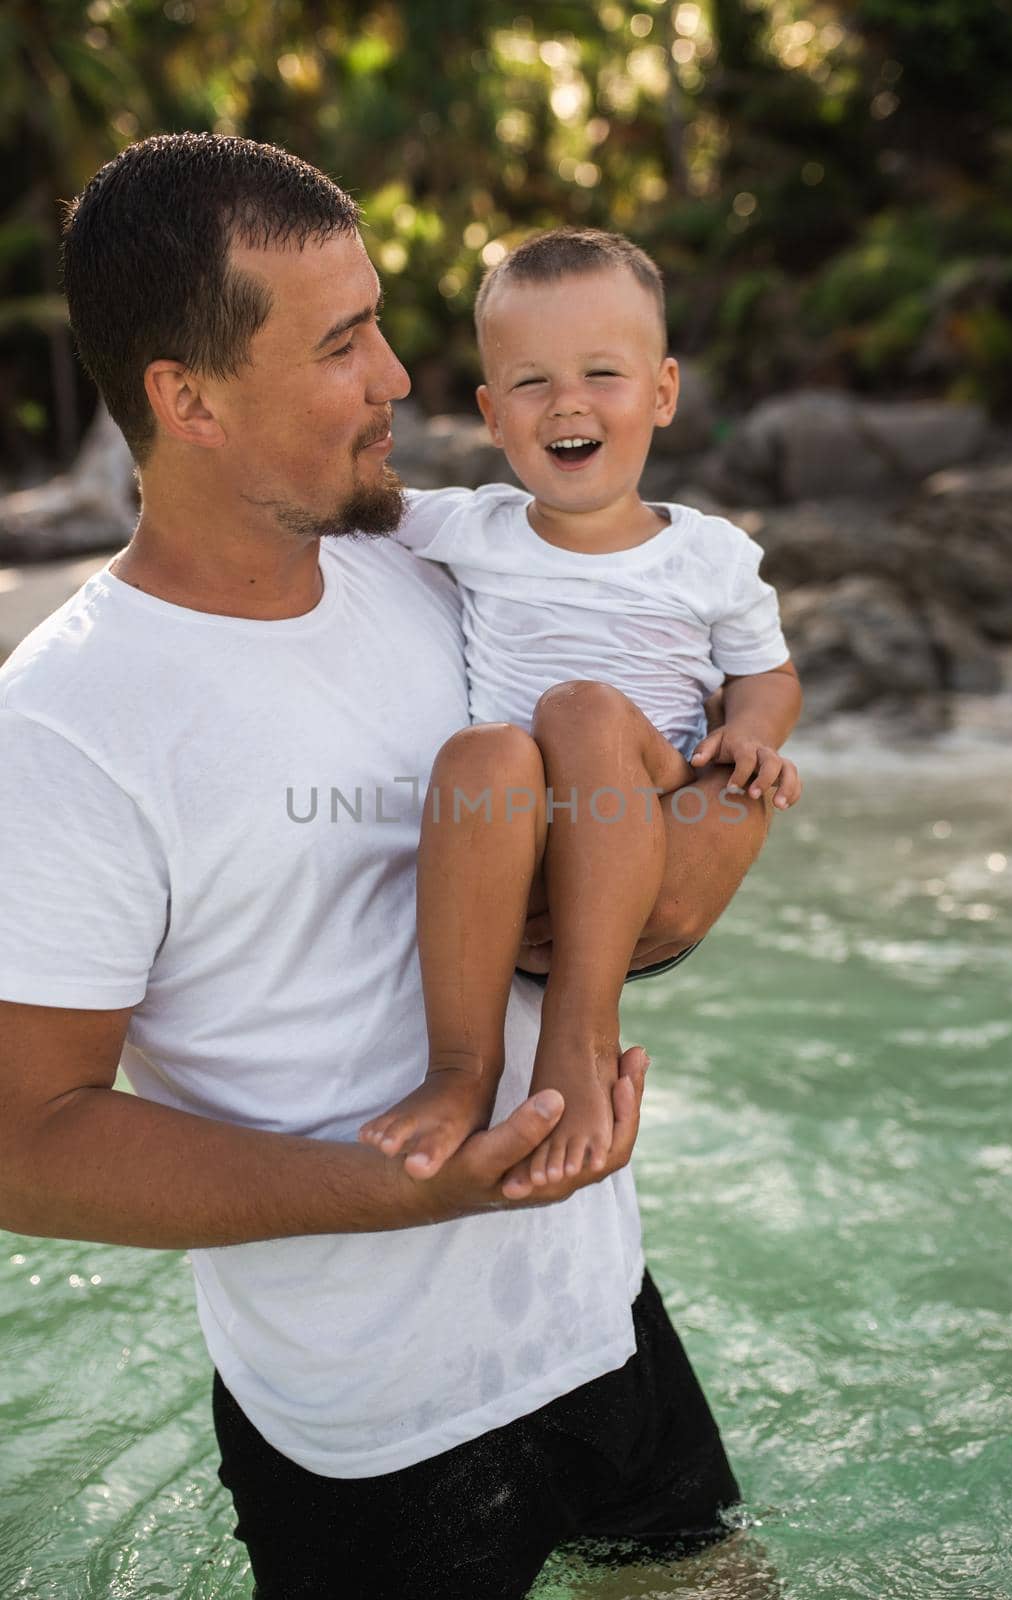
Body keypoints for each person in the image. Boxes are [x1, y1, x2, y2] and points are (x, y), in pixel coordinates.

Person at [0, 134, 774, 1600]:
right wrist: (399, 1191)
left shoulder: (442, 572)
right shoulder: (63, 728)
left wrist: (697, 861)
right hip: (365, 1435)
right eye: (344, 342)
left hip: (596, 1315)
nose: (399, 381)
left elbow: (669, 778)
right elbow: (24, 1145)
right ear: (189, 399)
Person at [360, 228, 802, 1190]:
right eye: (531, 383)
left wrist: (752, 737)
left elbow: (769, 673)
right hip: (513, 853)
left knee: (583, 712)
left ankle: (580, 1029)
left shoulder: (708, 554)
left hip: (641, 814)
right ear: (490, 412)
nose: (567, 401)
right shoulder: (468, 527)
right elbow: (344, 503)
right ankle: (462, 1070)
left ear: (663, 392)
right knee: (482, 754)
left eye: (603, 372)